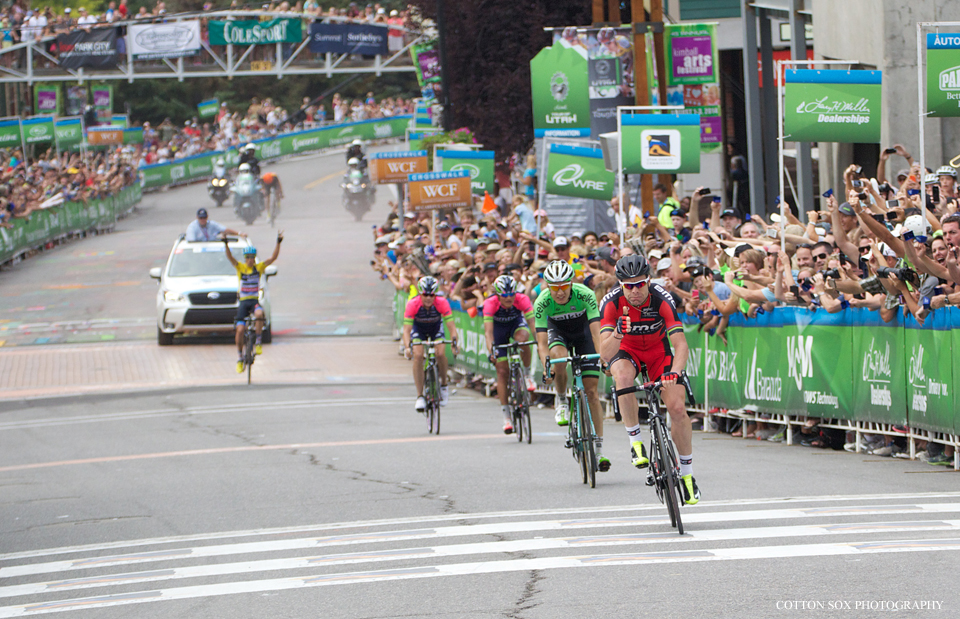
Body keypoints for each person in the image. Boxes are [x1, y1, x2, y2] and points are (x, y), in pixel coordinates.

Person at [599, 254, 700, 505]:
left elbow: (681, 345)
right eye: (629, 286)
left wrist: (674, 373)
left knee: (677, 408)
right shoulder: (611, 303)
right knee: (621, 376)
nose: (635, 291)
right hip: (627, 351)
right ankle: (635, 441)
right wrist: (618, 333)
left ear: (649, 281)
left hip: (658, 353)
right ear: (621, 285)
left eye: (640, 284)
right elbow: (604, 354)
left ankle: (687, 475)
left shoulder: (661, 297)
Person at [534, 260, 609, 471]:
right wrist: (546, 366)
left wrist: (603, 357)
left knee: (592, 392)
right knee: (558, 356)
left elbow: (596, 332)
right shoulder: (542, 301)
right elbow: (541, 344)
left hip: (583, 332)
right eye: (554, 287)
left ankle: (599, 449)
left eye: (563, 286)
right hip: (558, 332)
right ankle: (561, 400)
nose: (559, 292)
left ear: (571, 283)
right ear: (547, 286)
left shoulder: (585, 294)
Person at [483, 275, 537, 434]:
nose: (509, 298)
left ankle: (527, 375)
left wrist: (540, 344)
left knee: (523, 340)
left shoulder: (522, 299)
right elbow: (488, 333)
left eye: (511, 294)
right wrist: (491, 350)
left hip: (516, 325)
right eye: (504, 295)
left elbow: (533, 326)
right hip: (498, 332)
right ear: (498, 295)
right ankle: (506, 416)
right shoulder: (490, 303)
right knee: (502, 372)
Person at [224, 232, 283, 373]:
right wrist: (225, 244)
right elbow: (230, 257)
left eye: (252, 258)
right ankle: (239, 357)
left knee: (259, 313)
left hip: (254, 301)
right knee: (239, 330)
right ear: (245, 259)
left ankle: (257, 341)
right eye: (248, 258)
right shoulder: (240, 268)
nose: (250, 260)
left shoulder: (259, 268)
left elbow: (273, 258)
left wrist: (278, 242)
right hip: (243, 303)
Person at [402, 276, 459, 411]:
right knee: (418, 355)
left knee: (440, 353)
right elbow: (406, 330)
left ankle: (444, 385)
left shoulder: (442, 302)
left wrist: (454, 342)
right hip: (419, 330)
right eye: (425, 295)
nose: (428, 298)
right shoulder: (412, 304)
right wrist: (406, 347)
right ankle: (420, 395)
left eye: (431, 295)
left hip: (435, 329)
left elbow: (451, 326)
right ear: (420, 293)